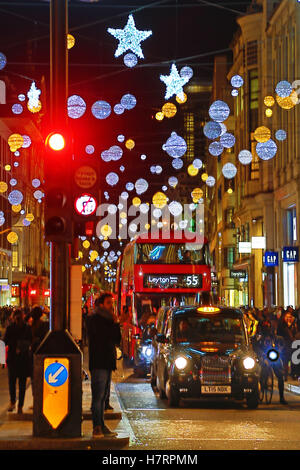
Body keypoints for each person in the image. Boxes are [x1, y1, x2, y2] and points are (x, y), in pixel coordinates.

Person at [87, 293, 121, 438]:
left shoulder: (109, 320)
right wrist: (113, 323)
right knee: (98, 396)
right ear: (101, 304)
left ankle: (101, 425)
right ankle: (97, 428)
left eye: (112, 303)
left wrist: (116, 323)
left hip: (107, 362)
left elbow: (116, 339)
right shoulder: (93, 319)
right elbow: (102, 336)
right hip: (99, 362)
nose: (111, 306)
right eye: (108, 303)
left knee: (103, 396)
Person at [3, 310, 32, 413]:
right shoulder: (27, 327)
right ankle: (19, 406)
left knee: (12, 382)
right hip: (22, 359)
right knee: (21, 383)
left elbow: (5, 341)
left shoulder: (11, 328)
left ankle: (13, 403)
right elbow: (30, 341)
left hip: (13, 359)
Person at [253, 320, 288, 405]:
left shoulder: (274, 337)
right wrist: (261, 354)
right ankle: (259, 388)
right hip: (263, 357)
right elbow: (255, 347)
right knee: (257, 372)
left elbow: (281, 344)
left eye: (268, 327)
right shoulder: (258, 337)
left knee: (280, 375)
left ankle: (281, 397)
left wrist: (279, 349)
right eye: (265, 327)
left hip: (273, 357)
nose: (267, 329)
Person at [277, 311, 298, 379]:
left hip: (292, 344)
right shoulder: (282, 325)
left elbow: (295, 333)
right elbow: (279, 334)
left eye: (290, 317)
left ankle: (293, 373)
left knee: (293, 359)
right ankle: (285, 374)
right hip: (284, 345)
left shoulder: (293, 325)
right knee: (285, 360)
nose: (288, 318)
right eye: (287, 317)